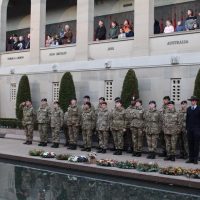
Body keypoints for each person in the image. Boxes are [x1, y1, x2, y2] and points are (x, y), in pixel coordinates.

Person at [186, 96, 200, 164]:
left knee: (196, 145)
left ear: (196, 101)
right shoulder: (188, 109)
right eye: (191, 101)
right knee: (190, 144)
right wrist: (187, 128)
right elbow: (187, 119)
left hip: (197, 129)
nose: (192, 102)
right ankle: (190, 158)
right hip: (189, 129)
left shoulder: (199, 108)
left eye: (194, 101)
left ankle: (195, 159)